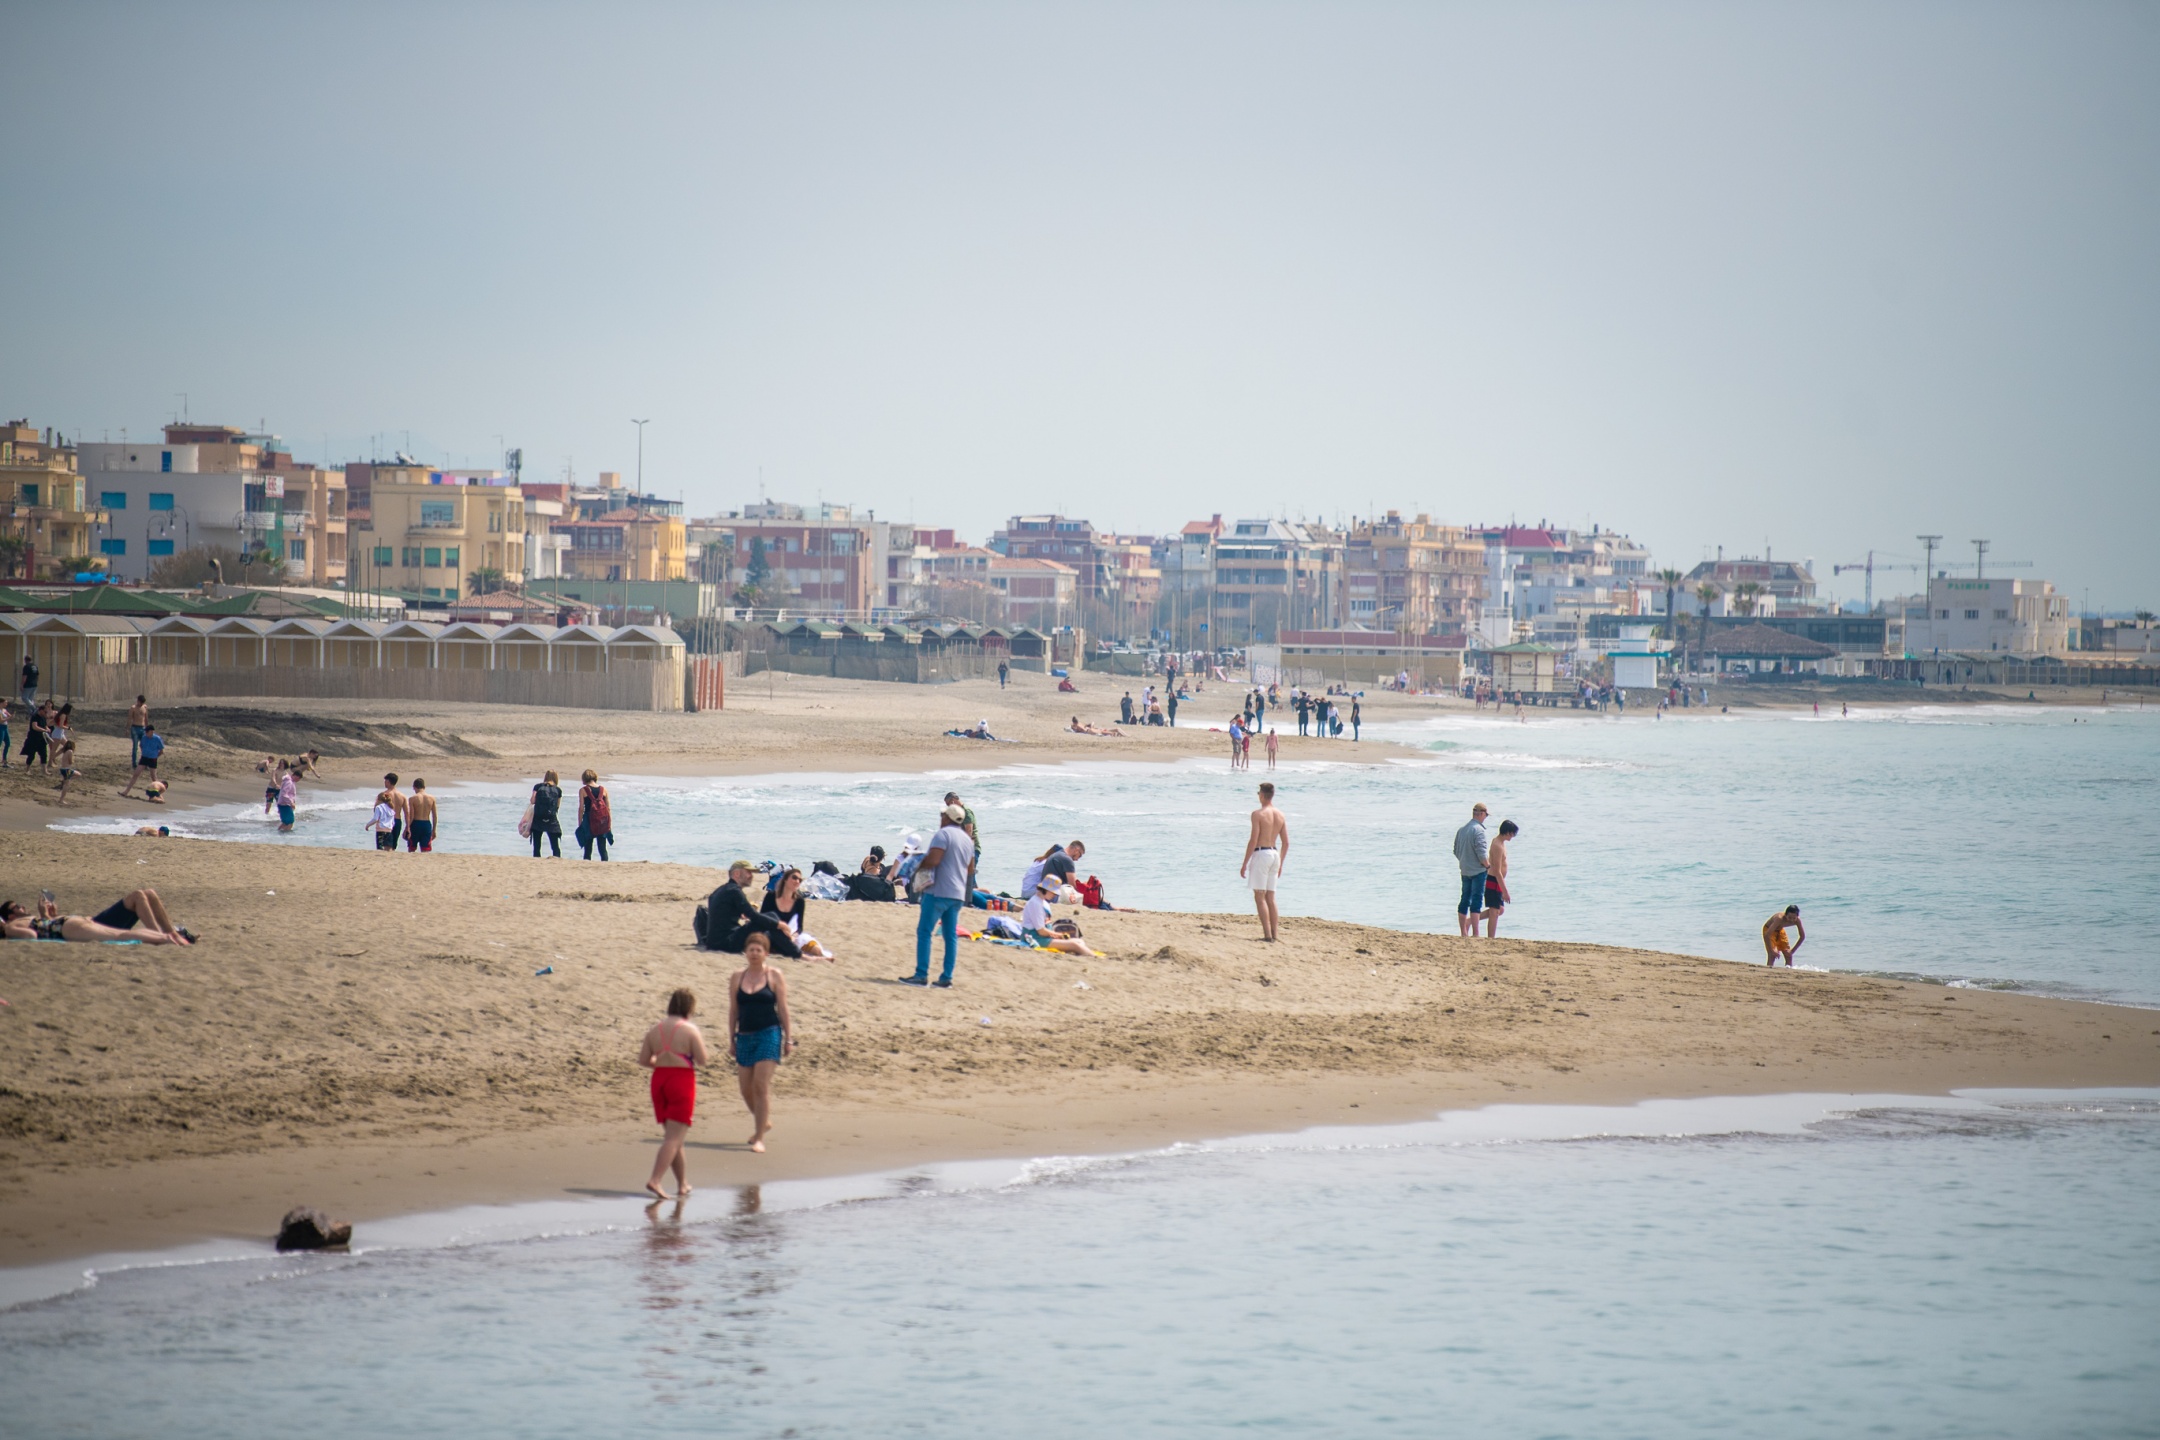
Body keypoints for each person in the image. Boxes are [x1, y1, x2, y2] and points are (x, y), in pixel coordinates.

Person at [639, 987, 710, 1200]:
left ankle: (682, 1184)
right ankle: (655, 1180)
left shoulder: (655, 1029)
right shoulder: (690, 1030)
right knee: (673, 1138)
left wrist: (663, 1061)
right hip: (681, 1080)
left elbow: (643, 1060)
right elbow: (702, 1060)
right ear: (689, 1008)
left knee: (674, 1137)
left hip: (659, 1079)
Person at [729, 931, 793, 1152]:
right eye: (751, 949)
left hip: (769, 1033)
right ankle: (762, 1121)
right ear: (745, 952)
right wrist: (731, 1039)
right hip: (744, 1035)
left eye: (759, 950)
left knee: (760, 1085)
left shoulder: (774, 975)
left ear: (766, 953)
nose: (755, 953)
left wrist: (789, 1039)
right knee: (745, 1088)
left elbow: (783, 1008)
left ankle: (759, 1138)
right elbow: (733, 1010)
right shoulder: (737, 977)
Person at [902, 803, 975, 987]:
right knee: (950, 936)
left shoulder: (943, 834)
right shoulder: (967, 840)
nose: (941, 819)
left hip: (939, 891)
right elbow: (970, 869)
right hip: (957, 894)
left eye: (942, 816)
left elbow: (934, 860)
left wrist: (917, 864)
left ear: (947, 818)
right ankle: (946, 978)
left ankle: (921, 975)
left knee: (925, 931)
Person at [2, 889, 194, 944]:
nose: (22, 906)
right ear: (9, 917)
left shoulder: (32, 920)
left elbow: (50, 926)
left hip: (84, 922)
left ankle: (170, 933)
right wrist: (46, 915)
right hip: (92, 924)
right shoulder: (14, 927)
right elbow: (37, 934)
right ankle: (160, 935)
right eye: (17, 907)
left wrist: (52, 914)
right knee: (137, 896)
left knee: (148, 893)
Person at [703, 860, 802, 956]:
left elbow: (722, 912)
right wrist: (780, 924)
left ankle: (787, 948)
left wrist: (741, 914)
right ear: (737, 874)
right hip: (726, 943)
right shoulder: (734, 891)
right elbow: (753, 915)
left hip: (714, 942)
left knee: (768, 924)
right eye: (748, 872)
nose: (751, 876)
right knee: (771, 917)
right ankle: (796, 953)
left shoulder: (721, 890)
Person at [1240, 781, 1289, 942]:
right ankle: (1275, 934)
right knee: (1271, 897)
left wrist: (1245, 863)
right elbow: (1286, 843)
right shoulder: (1280, 815)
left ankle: (1267, 935)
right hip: (1275, 854)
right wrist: (1281, 863)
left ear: (1261, 795)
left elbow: (1253, 840)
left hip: (1262, 853)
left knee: (1259, 896)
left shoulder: (1258, 814)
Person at [760, 867, 836, 960]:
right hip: (772, 933)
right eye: (794, 878)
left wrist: (793, 936)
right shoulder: (771, 896)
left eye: (800, 880)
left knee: (815, 949)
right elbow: (762, 919)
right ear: (785, 879)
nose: (797, 881)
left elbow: (799, 927)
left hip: (790, 934)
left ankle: (822, 956)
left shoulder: (799, 901)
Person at [1020, 878, 1090, 954]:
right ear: (1047, 890)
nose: (1055, 895)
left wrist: (1057, 935)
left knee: (1079, 941)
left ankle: (1088, 954)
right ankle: (1095, 957)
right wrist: (1060, 935)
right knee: (1075, 945)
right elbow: (1041, 931)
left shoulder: (1043, 902)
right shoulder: (1035, 904)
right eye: (1053, 892)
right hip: (1034, 938)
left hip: (1043, 936)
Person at [1453, 802, 1491, 938]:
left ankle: (1463, 932)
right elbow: (1482, 853)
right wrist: (1487, 865)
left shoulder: (1461, 830)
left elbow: (1456, 851)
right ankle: (1475, 932)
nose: (1485, 817)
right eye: (1486, 815)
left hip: (1465, 869)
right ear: (1481, 814)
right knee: (1476, 901)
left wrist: (1465, 861)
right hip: (1478, 871)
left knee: (1464, 899)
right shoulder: (1479, 830)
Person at [1482, 820, 1520, 936]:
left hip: (1497, 880)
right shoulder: (1497, 845)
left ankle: (1470, 921)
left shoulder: (1501, 843)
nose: (1512, 836)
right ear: (1507, 832)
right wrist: (1505, 891)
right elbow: (1497, 871)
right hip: (1493, 880)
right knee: (1494, 911)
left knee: (1500, 910)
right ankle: (1491, 938)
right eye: (1512, 834)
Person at [1018, 839, 1086, 899]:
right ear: (1076, 850)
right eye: (1079, 855)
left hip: (1030, 892)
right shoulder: (1066, 859)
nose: (1077, 859)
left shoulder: (1046, 860)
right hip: (1037, 893)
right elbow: (1072, 885)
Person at [943, 789, 980, 895]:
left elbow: (969, 832)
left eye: (948, 805)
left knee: (969, 877)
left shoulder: (966, 812)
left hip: (971, 849)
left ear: (953, 801)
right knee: (967, 877)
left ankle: (978, 896)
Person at [576, 769, 613, 861]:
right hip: (602, 820)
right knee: (602, 848)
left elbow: (581, 808)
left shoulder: (583, 790)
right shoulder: (603, 790)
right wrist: (609, 823)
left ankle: (586, 865)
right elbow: (608, 808)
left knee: (588, 848)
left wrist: (580, 823)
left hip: (588, 820)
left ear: (584, 778)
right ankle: (605, 865)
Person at [120, 724, 164, 797]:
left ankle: (159, 795)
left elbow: (161, 751)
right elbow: (141, 746)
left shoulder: (157, 739)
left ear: (151, 732)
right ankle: (126, 791)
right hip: (144, 758)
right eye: (146, 732)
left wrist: (155, 756)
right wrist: (144, 752)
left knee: (153, 777)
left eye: (147, 732)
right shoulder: (144, 737)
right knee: (136, 774)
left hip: (152, 759)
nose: (146, 733)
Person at [529, 770, 564, 858]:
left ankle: (537, 860)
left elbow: (532, 801)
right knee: (555, 845)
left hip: (538, 817)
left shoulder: (538, 786)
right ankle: (557, 859)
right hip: (551, 819)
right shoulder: (558, 790)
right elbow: (557, 806)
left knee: (537, 846)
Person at [373, 773, 406, 851]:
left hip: (386, 821)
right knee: (393, 846)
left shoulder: (383, 795)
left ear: (388, 781)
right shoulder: (402, 796)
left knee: (385, 846)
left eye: (385, 781)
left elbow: (376, 809)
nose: (384, 783)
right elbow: (407, 812)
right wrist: (407, 826)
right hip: (397, 821)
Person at [406, 778, 438, 852]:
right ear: (424, 787)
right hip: (426, 824)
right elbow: (434, 816)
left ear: (414, 787)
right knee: (425, 849)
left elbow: (411, 816)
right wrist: (434, 830)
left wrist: (407, 828)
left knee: (412, 848)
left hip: (415, 824)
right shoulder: (432, 798)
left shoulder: (412, 799)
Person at [274, 765, 298, 832]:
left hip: (284, 804)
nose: (297, 780)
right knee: (290, 822)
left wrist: (292, 802)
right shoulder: (289, 782)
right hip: (285, 804)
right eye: (297, 778)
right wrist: (291, 803)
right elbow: (284, 794)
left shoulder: (290, 781)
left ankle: (278, 833)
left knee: (285, 822)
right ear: (294, 775)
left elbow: (291, 794)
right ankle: (286, 835)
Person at [127, 695, 149, 769]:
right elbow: (130, 719)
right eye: (140, 702)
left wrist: (147, 728)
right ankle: (134, 763)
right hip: (135, 728)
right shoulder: (133, 708)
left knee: (144, 746)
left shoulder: (145, 707)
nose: (141, 704)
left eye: (142, 703)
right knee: (135, 746)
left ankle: (144, 763)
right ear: (138, 701)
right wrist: (128, 729)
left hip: (142, 728)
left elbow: (146, 718)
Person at [54, 739, 78, 803]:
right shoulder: (70, 751)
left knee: (78, 774)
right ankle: (61, 800)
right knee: (66, 785)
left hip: (63, 769)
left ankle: (65, 780)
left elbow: (56, 755)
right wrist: (73, 760)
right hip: (67, 769)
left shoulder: (65, 751)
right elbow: (70, 762)